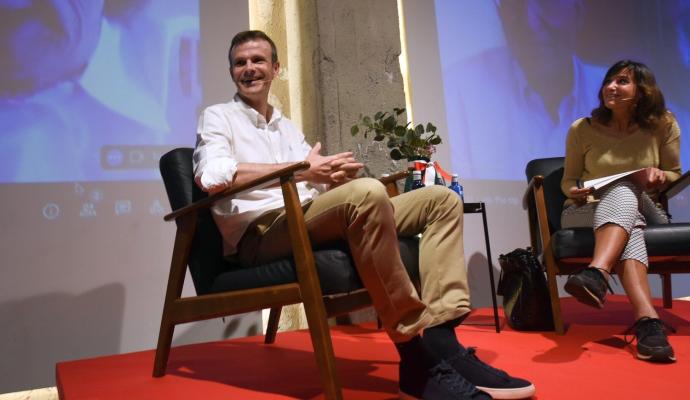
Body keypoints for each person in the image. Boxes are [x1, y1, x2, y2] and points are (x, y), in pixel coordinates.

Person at [193, 30, 535, 399]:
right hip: (261, 232)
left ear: (275, 68)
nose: (249, 69)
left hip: (304, 216)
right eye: (240, 63)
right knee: (366, 194)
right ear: (231, 72)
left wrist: (330, 177)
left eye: (258, 60)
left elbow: (312, 181)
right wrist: (300, 169)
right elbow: (211, 177)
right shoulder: (217, 117)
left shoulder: (285, 125)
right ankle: (413, 352)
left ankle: (441, 335)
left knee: (440, 199)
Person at [561, 60, 681, 363]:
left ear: (642, 91)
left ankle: (597, 272)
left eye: (622, 81)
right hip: (586, 208)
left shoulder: (663, 124)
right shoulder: (582, 129)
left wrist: (660, 176)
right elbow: (568, 179)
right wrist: (573, 190)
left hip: (648, 204)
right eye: (609, 81)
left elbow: (675, 173)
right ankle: (647, 322)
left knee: (626, 190)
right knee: (629, 217)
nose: (611, 87)